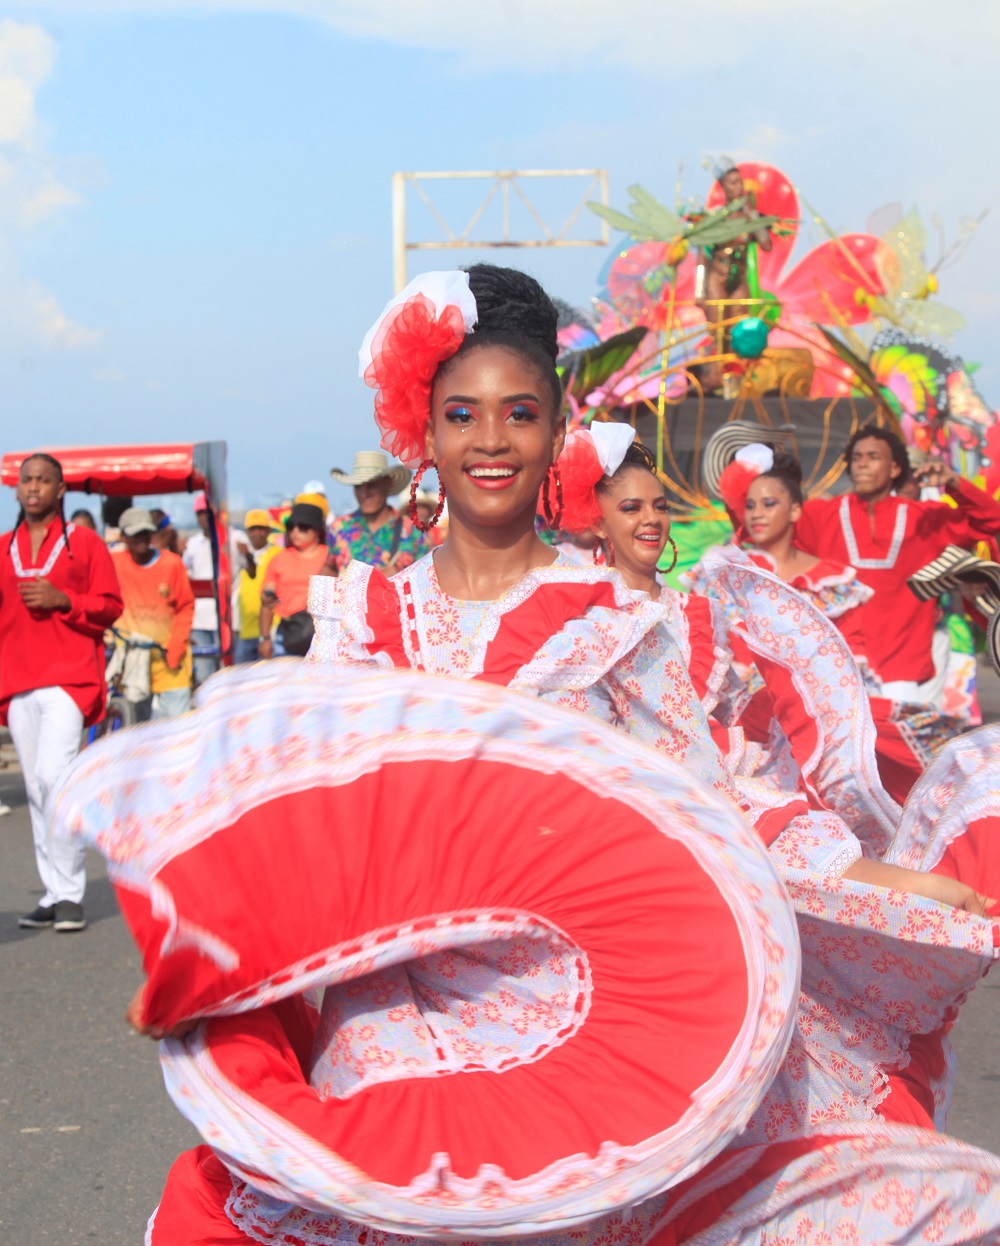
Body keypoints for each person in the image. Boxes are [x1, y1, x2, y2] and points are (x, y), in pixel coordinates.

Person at [116, 267, 1000, 1241]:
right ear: (424, 427)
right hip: (395, 1013)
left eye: (519, 413)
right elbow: (292, 837)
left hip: (579, 1007)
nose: (490, 441)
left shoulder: (619, 620)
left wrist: (874, 882)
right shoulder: (363, 619)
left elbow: (705, 817)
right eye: (462, 414)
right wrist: (192, 965)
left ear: (554, 429)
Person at [795, 422, 1000, 798]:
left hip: (909, 682)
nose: (862, 465)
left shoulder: (925, 518)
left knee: (916, 795)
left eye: (873, 457)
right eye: (856, 458)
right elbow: (762, 531)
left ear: (894, 468)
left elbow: (991, 520)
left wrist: (954, 482)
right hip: (844, 683)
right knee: (847, 795)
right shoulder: (821, 516)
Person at [1, 453, 122, 932]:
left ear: (59, 490)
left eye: (43, 480)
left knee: (55, 776)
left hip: (70, 679)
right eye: (27, 480)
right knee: (35, 787)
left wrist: (64, 599)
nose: (33, 488)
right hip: (18, 682)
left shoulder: (85, 543)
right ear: (17, 490)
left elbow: (112, 606)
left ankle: (71, 892)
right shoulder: (4, 546)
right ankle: (53, 891)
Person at [110, 507, 195, 720]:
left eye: (145, 533)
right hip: (132, 661)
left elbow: (185, 607)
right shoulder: (114, 563)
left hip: (169, 659)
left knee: (178, 726)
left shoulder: (171, 564)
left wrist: (175, 648)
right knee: (137, 728)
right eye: (135, 534)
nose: (142, 539)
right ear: (123, 537)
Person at [328, 450, 427, 573]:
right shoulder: (338, 528)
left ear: (387, 484)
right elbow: (328, 567)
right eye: (358, 487)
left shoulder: (412, 532)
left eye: (371, 485)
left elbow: (428, 580)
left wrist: (400, 578)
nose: (364, 494)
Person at [257, 502, 329, 658]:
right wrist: (265, 638)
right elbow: (267, 602)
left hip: (326, 636)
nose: (295, 532)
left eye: (303, 527)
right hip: (288, 635)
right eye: (291, 527)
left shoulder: (331, 558)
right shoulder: (279, 560)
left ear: (317, 530)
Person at [181, 491, 223, 687]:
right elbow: (184, 576)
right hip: (199, 618)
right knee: (204, 675)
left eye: (207, 512)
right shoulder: (191, 545)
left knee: (225, 672)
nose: (204, 517)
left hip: (224, 617)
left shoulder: (231, 538)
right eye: (200, 513)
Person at [233, 508, 281, 663]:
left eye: (261, 528)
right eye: (253, 529)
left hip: (271, 629)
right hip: (245, 629)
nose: (257, 533)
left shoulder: (278, 554)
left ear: (268, 530)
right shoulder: (239, 555)